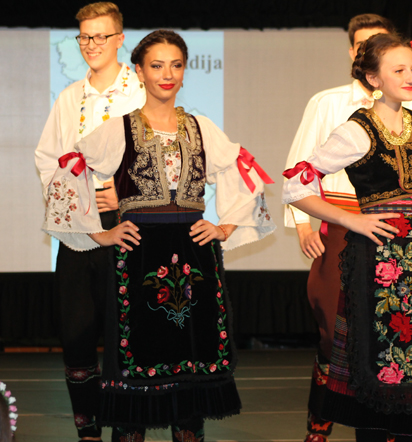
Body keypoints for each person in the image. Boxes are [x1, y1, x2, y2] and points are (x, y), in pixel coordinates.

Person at [41, 29, 276, 442]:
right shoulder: (119, 130)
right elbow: (70, 170)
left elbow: (243, 173)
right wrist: (100, 233)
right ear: (139, 72)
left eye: (176, 65)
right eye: (156, 65)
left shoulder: (202, 128)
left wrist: (224, 226)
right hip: (139, 256)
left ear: (184, 72)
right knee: (137, 365)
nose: (167, 74)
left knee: (191, 363)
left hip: (195, 255)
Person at [283, 33, 412, 441]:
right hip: (383, 264)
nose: (411, 78)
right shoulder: (357, 130)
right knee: (385, 355)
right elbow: (296, 187)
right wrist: (351, 220)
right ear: (373, 78)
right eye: (399, 71)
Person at [34, 3, 145, 441]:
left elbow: (158, 156)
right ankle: (88, 432)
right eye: (84, 37)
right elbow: (47, 159)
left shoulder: (141, 92)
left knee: (128, 336)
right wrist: (70, 199)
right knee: (78, 336)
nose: (91, 45)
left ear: (119, 39)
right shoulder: (68, 97)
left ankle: (129, 430)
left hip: (129, 223)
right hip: (78, 228)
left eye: (100, 36)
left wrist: (126, 191)